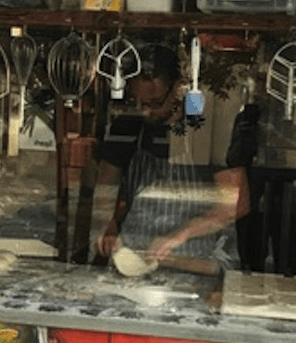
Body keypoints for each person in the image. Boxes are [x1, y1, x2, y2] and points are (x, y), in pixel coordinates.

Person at [91, 43, 249, 274]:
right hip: (135, 258)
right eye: (140, 102)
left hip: (195, 263)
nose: (145, 111)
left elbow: (236, 202)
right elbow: (106, 186)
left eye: (155, 103)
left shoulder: (203, 128)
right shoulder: (127, 128)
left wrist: (178, 236)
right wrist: (108, 225)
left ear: (177, 87)